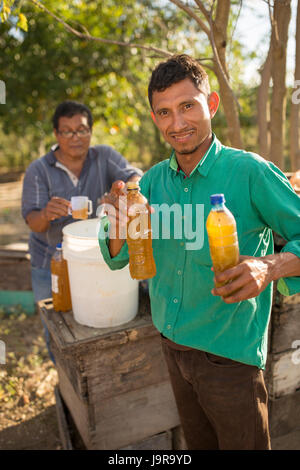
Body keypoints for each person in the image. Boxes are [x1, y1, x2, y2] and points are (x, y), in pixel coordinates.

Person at [98, 55, 300, 450]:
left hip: (230, 357)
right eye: (165, 112)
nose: (177, 123)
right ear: (155, 119)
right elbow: (117, 255)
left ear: (211, 104)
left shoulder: (250, 172)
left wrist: (268, 266)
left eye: (187, 105)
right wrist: (118, 225)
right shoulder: (152, 181)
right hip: (171, 346)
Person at [22, 100, 142, 361]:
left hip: (95, 261)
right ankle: (65, 383)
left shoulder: (104, 156)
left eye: (82, 130)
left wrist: (126, 189)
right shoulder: (39, 170)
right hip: (52, 263)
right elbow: (32, 220)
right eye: (67, 131)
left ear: (90, 131)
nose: (76, 137)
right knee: (58, 330)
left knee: (98, 326)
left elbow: (134, 175)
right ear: (56, 134)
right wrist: (46, 213)